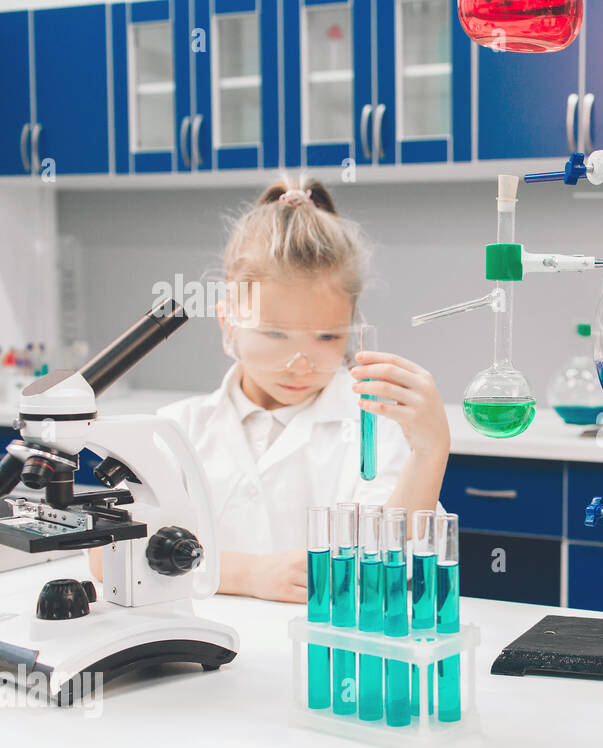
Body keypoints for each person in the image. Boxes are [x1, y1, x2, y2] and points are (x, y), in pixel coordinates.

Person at [92, 177, 450, 604]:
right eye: (276, 335)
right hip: (195, 658)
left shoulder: (373, 428)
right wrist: (252, 574)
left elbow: (397, 562)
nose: (300, 363)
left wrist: (431, 453)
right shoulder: (173, 429)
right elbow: (106, 559)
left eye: (326, 338)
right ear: (227, 321)